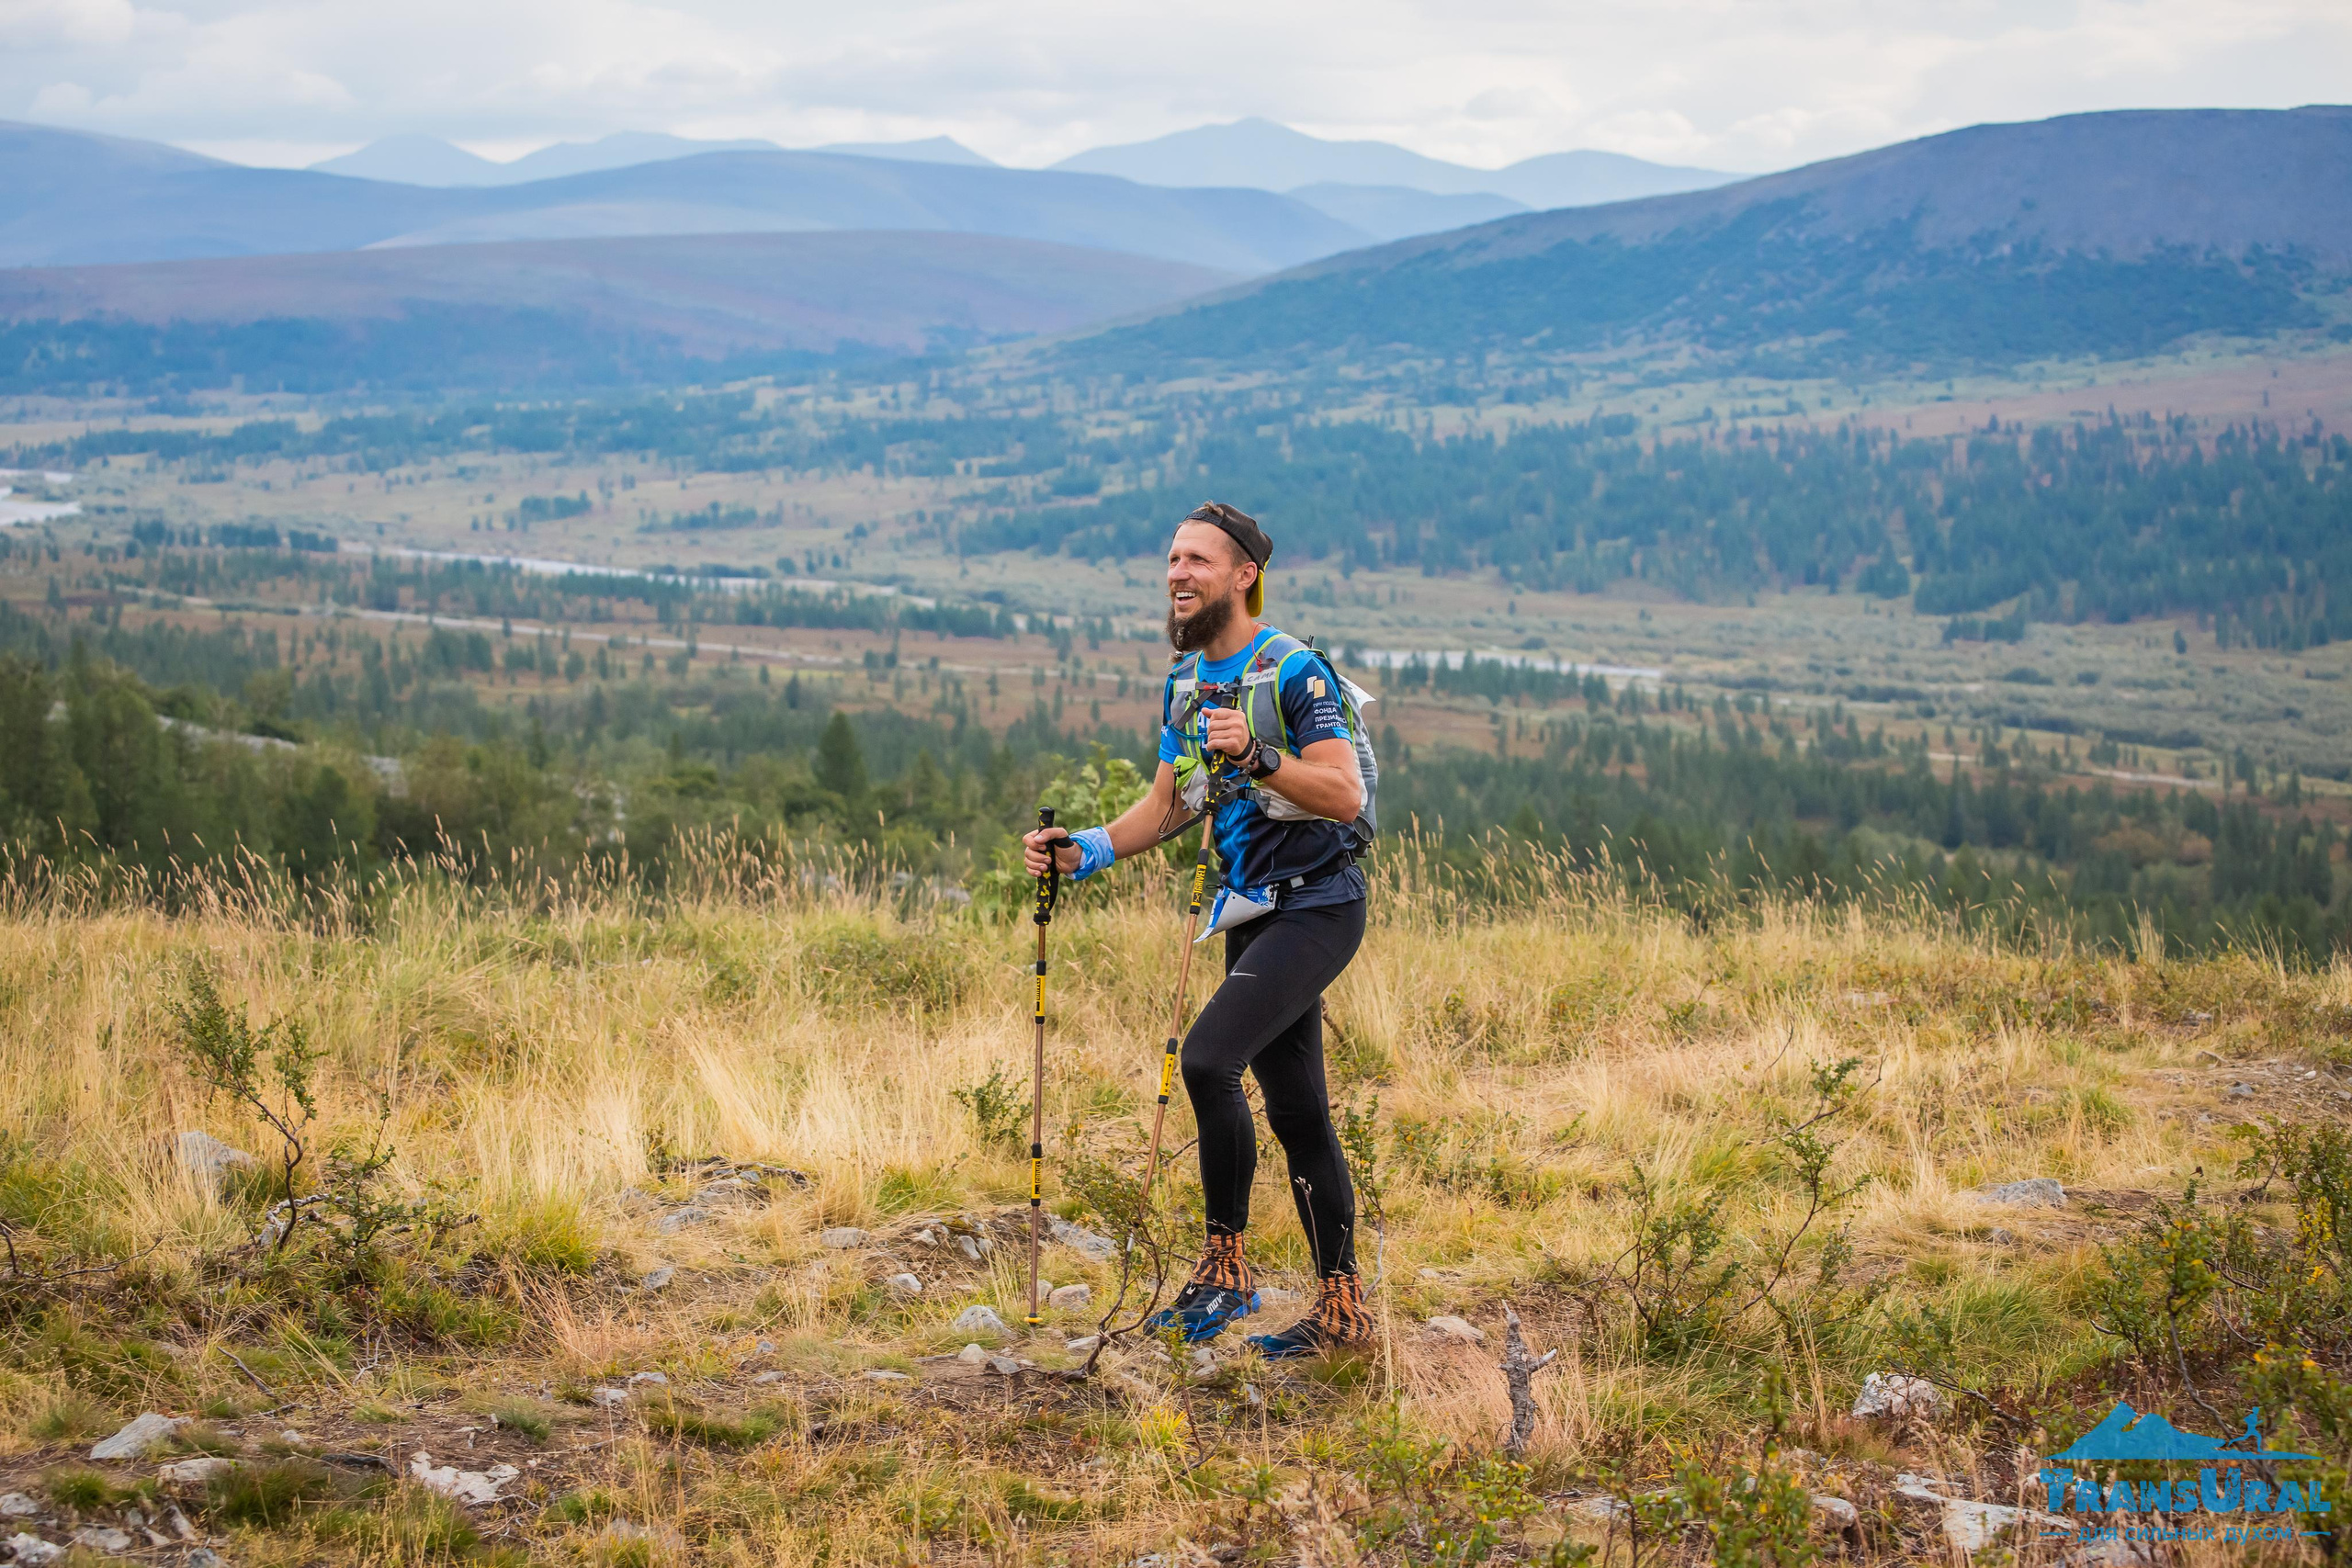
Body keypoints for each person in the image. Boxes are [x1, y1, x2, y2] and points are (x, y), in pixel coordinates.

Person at [1023, 501, 1375, 1359]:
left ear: (1244, 576)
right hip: (1252, 909)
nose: (1178, 574)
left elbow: (1345, 794)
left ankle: (1227, 1271)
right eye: (1173, 559)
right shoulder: (1185, 685)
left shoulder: (1295, 672)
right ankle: (1344, 1313)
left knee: (1209, 1059)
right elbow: (1169, 804)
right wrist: (1085, 851)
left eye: (1198, 561)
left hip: (1319, 903)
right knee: (1297, 1108)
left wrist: (1258, 754)